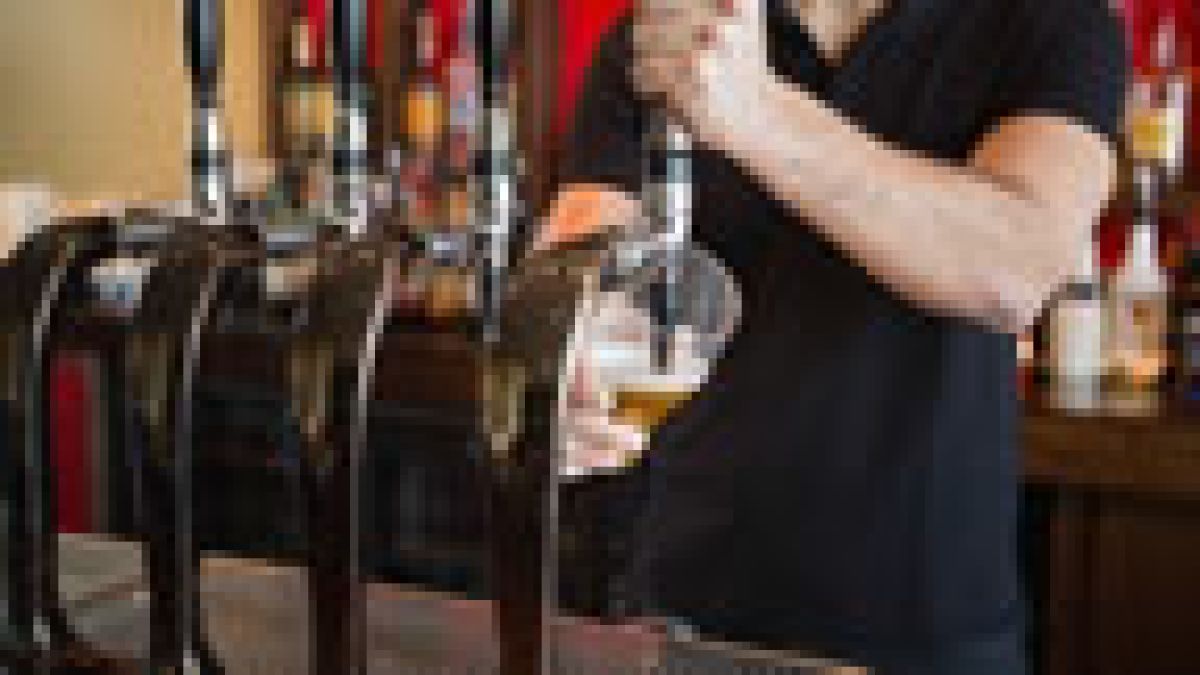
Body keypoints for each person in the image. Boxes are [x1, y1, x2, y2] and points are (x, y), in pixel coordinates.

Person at [536, 0, 1127, 672]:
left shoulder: (1047, 22)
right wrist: (561, 361)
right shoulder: (676, 32)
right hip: (689, 619)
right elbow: (580, 266)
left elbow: (1016, 267)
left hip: (927, 630)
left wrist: (760, 113)